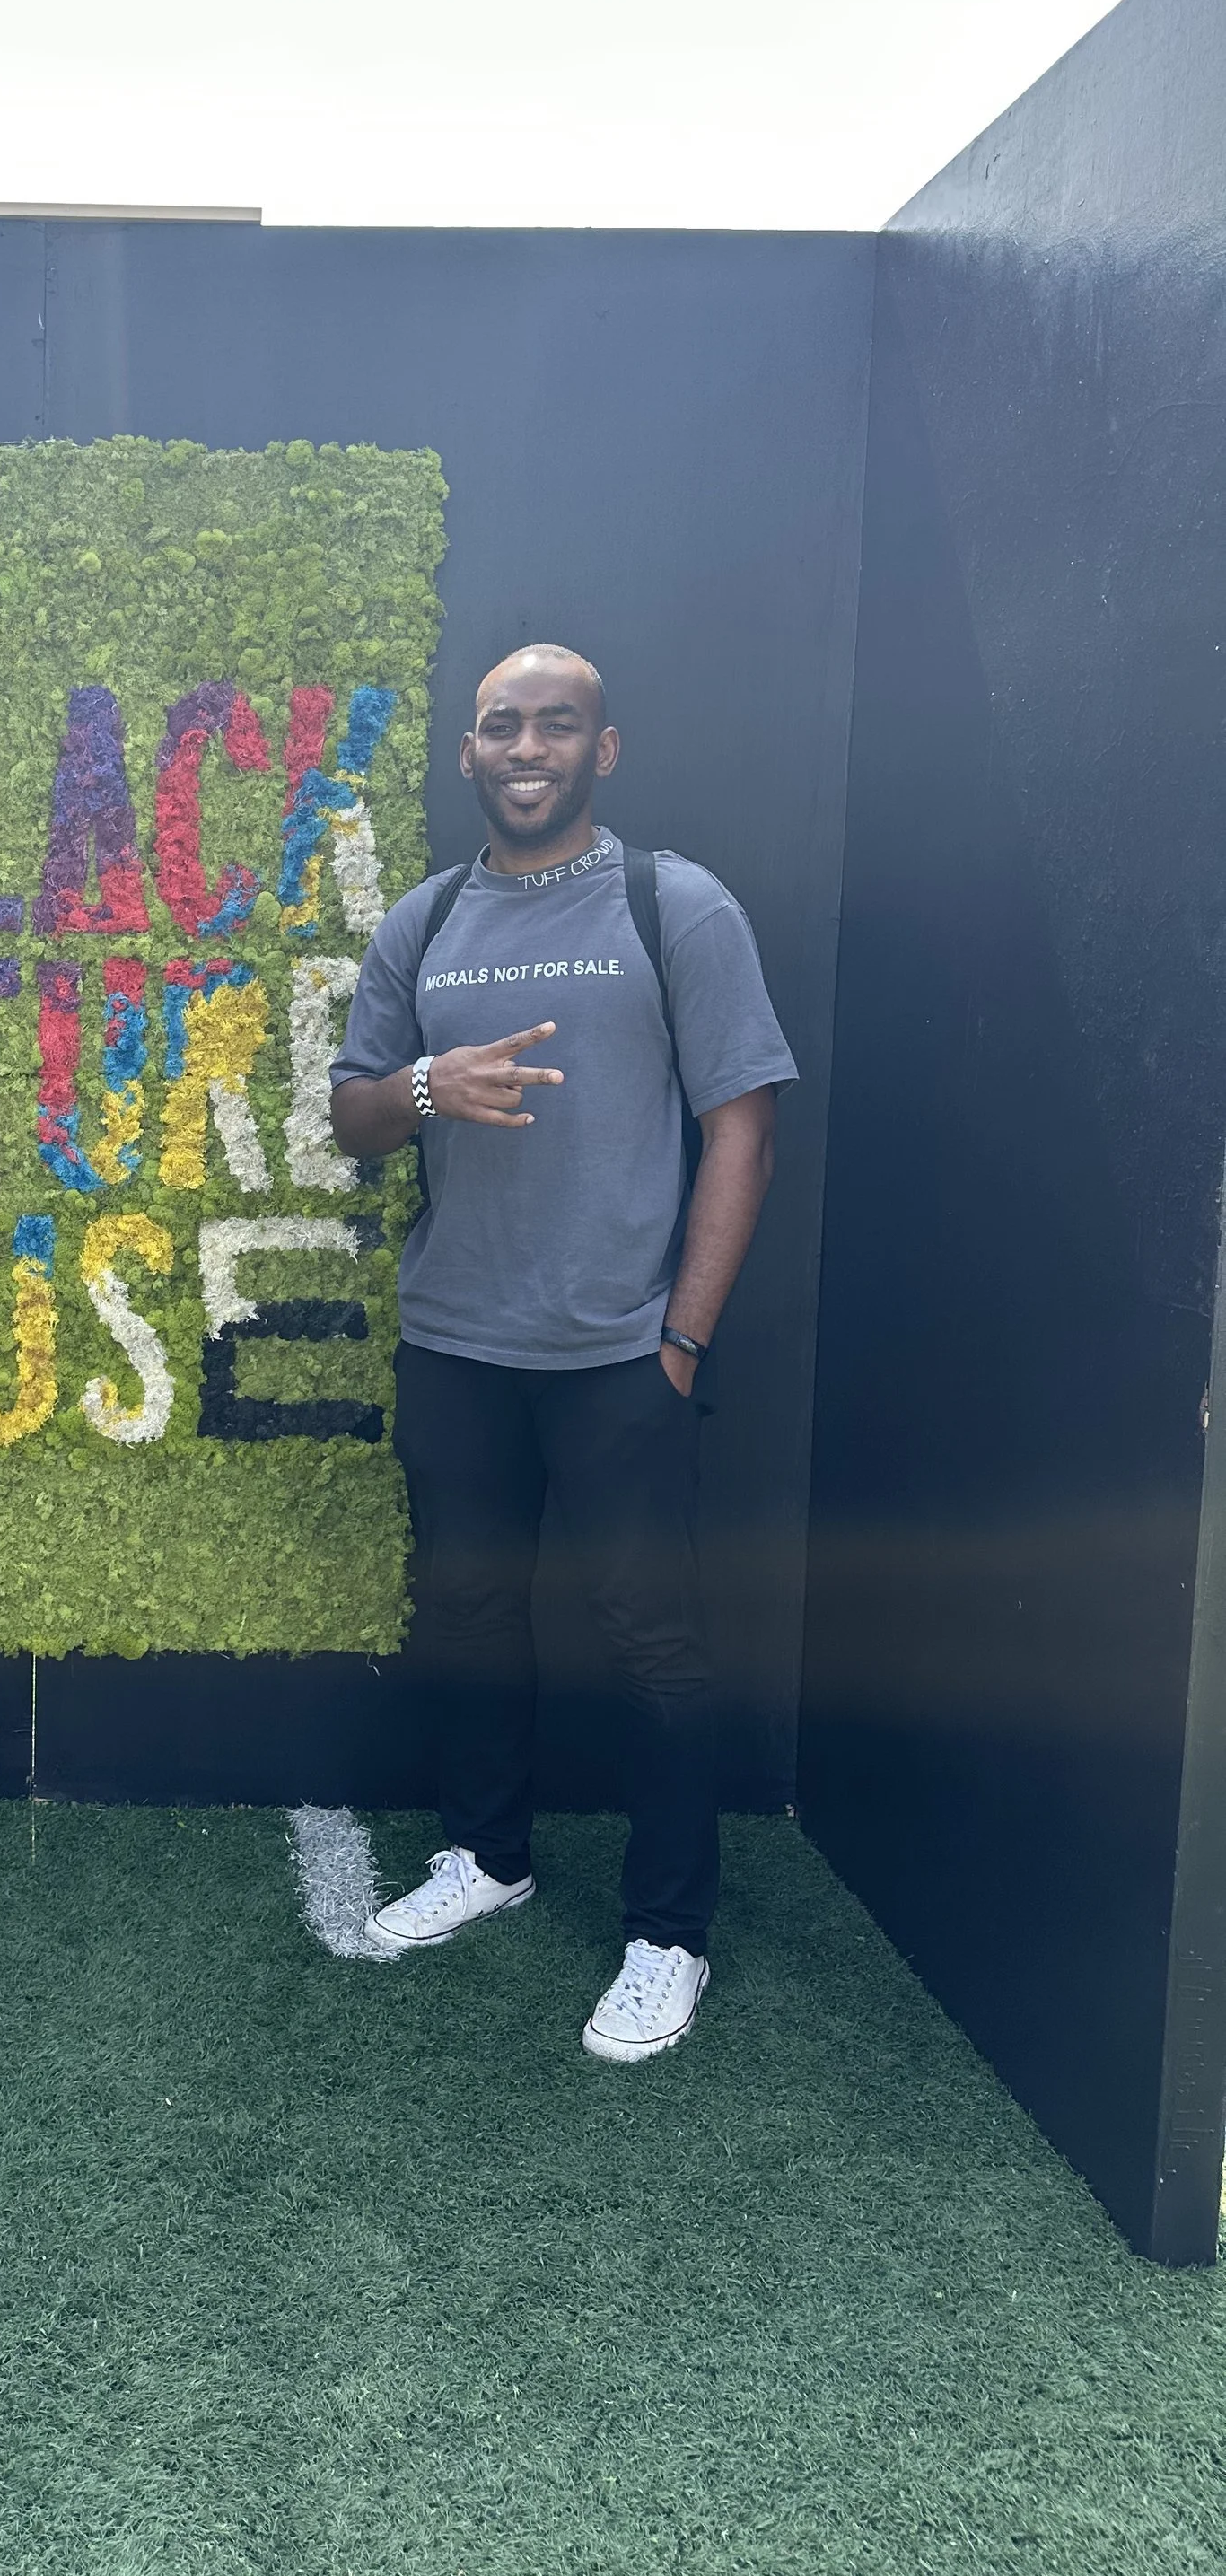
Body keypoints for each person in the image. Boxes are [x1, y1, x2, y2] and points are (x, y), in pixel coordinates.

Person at [328, 643, 794, 2060]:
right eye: (500, 726)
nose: (525, 745)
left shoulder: (675, 905)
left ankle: (669, 1935)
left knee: (653, 1646)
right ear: (467, 754)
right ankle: (488, 1855)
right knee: (471, 1618)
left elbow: (745, 1129)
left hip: (617, 1358)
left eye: (555, 724)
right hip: (458, 1342)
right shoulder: (424, 920)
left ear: (602, 749)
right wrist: (427, 1087)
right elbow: (354, 1115)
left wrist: (682, 1342)